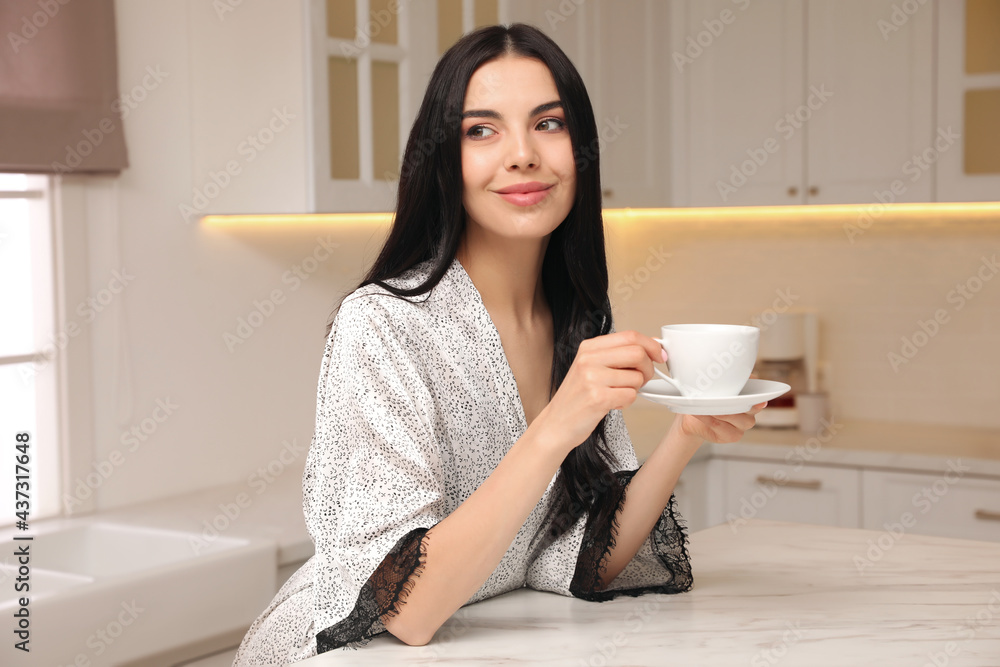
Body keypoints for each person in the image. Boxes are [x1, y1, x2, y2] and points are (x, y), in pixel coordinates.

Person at [232, 22, 764, 665]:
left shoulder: (578, 315)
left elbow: (579, 555)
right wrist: (552, 428)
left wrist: (687, 431)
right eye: (481, 130)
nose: (522, 155)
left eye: (549, 123)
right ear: (444, 159)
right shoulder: (382, 326)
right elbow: (405, 612)